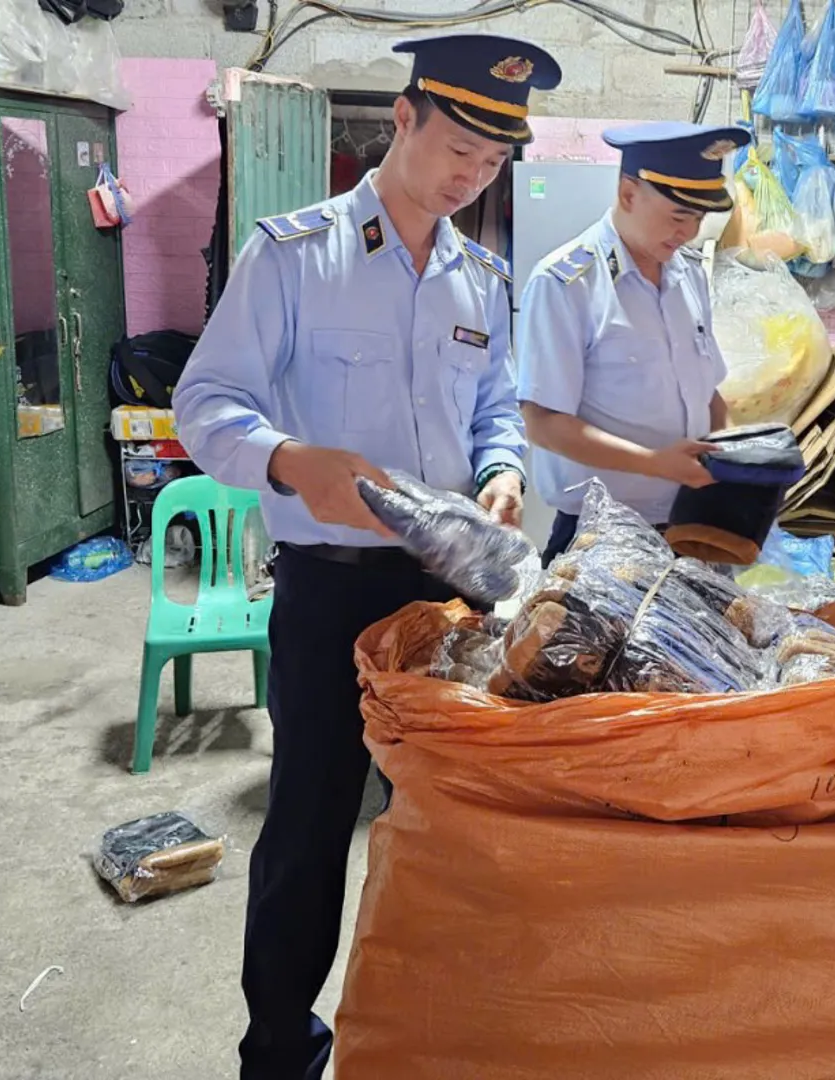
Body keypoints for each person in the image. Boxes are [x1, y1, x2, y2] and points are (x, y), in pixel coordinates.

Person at [172, 34, 561, 1079]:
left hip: (451, 597)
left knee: (448, 824)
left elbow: (495, 411)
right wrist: (292, 460)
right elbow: (204, 406)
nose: (473, 174)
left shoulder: (482, 277)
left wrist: (502, 472)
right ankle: (281, 1048)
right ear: (403, 118)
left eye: (493, 160)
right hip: (330, 596)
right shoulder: (295, 255)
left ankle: (430, 1036)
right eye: (460, 148)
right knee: (307, 829)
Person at [515, 121, 752, 565]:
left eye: (699, 220)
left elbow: (708, 394)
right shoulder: (566, 283)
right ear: (628, 194)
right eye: (678, 216)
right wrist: (653, 462)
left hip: (691, 526)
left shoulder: (689, 277)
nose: (687, 233)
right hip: (600, 538)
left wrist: (735, 455)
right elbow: (542, 422)